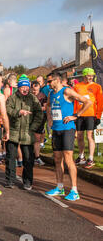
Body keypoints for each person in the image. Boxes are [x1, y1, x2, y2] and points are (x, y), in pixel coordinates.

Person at [45, 73, 92, 201]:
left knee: (68, 158)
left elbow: (87, 102)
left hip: (67, 129)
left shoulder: (66, 91)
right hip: (56, 129)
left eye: (49, 81)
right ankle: (59, 187)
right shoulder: (50, 93)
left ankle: (74, 190)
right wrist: (49, 118)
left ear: (57, 80)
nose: (47, 84)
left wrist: (75, 116)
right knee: (57, 159)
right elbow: (48, 106)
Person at [5, 78, 43, 190]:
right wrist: (18, 112)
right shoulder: (12, 98)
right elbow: (7, 110)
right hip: (13, 132)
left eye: (27, 87)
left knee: (28, 159)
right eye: (23, 87)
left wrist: (33, 127)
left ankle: (27, 182)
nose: (25, 89)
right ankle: (10, 180)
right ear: (19, 88)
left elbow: (39, 114)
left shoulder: (33, 98)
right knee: (11, 158)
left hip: (28, 133)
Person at [73, 68, 103, 169]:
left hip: (91, 114)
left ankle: (91, 158)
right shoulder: (77, 86)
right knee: (80, 136)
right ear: (84, 76)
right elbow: (75, 101)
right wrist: (74, 114)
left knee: (89, 136)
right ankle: (81, 156)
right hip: (80, 115)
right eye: (88, 76)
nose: (90, 77)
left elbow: (100, 102)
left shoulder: (97, 86)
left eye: (92, 76)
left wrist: (98, 116)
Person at [31, 81, 47, 165]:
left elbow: (45, 107)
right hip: (29, 119)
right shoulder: (28, 96)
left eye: (36, 90)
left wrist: (37, 108)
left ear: (39, 88)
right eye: (33, 90)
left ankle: (37, 157)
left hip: (39, 119)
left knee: (37, 138)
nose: (34, 91)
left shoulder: (43, 96)